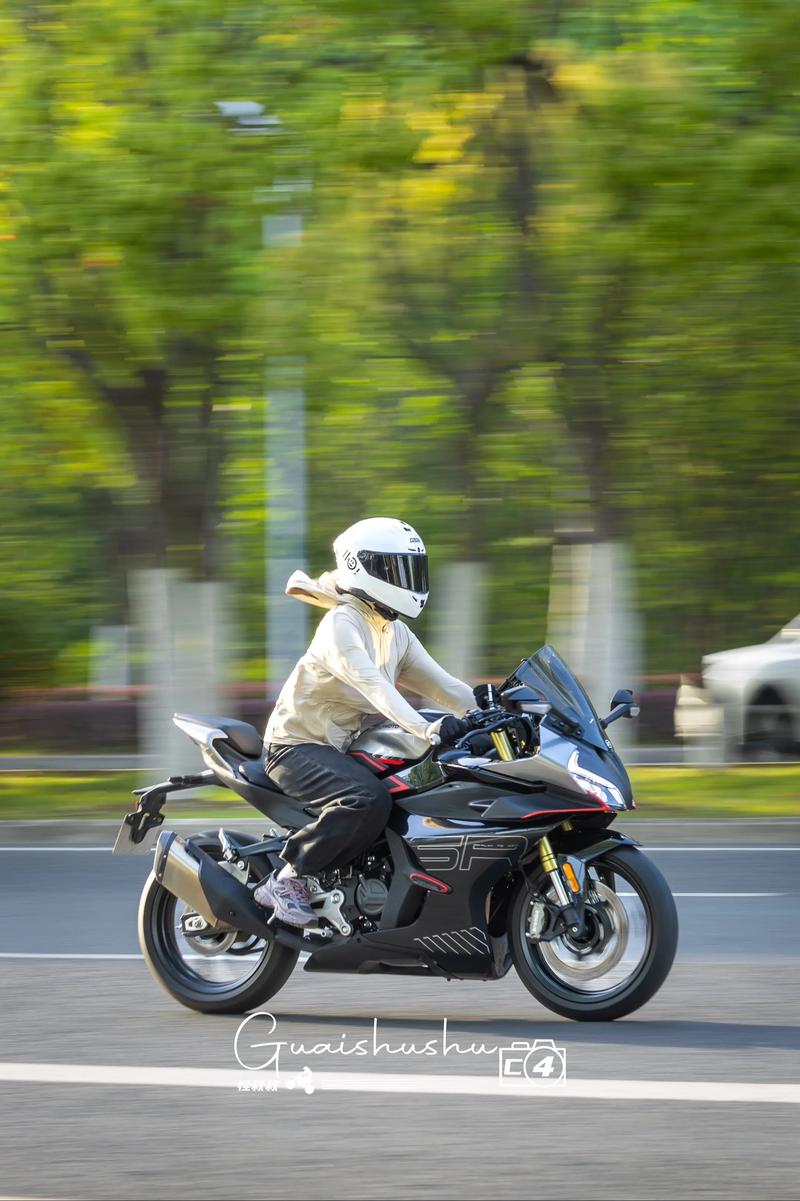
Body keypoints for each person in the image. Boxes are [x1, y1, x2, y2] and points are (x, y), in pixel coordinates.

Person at [254, 517, 476, 926]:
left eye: (411, 569)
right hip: (297, 747)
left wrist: (490, 709)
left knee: (419, 783)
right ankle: (287, 877)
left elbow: (446, 687)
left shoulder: (394, 632)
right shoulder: (341, 624)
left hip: (346, 745)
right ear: (361, 567)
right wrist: (427, 728)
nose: (407, 579)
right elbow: (376, 688)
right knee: (366, 800)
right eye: (395, 569)